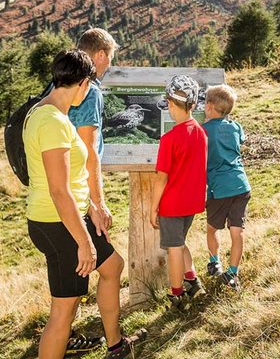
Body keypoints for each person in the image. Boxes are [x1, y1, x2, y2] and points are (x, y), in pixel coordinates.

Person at [24, 50, 144, 359]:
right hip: (58, 223)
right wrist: (84, 242)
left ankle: (115, 345)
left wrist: (91, 204)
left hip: (70, 216)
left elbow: (70, 181)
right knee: (63, 312)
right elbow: (58, 191)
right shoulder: (52, 122)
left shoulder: (49, 114)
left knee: (112, 266)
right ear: (84, 83)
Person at [150, 75, 208, 310]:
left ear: (170, 104)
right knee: (180, 242)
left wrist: (153, 207)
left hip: (172, 205)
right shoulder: (201, 133)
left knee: (173, 249)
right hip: (191, 203)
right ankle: (192, 280)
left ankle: (177, 296)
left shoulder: (169, 138)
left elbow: (161, 177)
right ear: (193, 105)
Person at [69, 28, 118, 240]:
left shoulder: (62, 82)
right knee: (108, 265)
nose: (109, 65)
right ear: (100, 55)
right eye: (110, 58)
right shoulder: (90, 91)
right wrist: (97, 203)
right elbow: (88, 150)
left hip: (59, 184)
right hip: (79, 193)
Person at [203, 84, 250, 290]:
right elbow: (240, 140)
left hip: (219, 188)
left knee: (213, 228)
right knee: (237, 230)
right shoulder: (236, 126)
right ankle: (232, 273)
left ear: (210, 106)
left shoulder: (204, 131)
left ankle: (215, 261)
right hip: (241, 185)